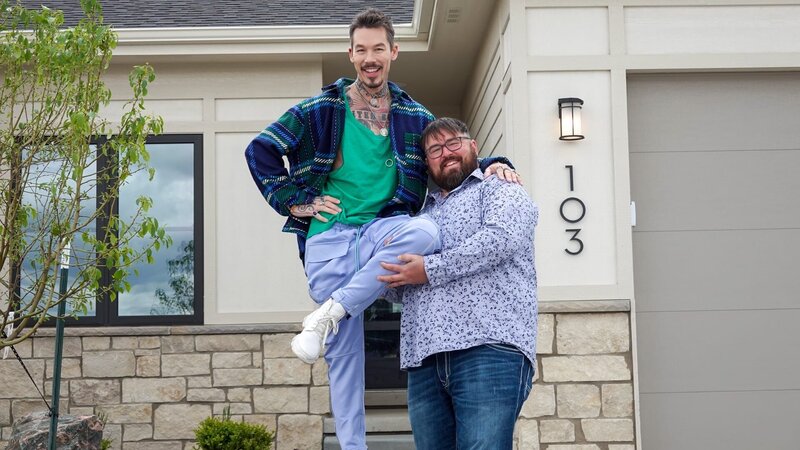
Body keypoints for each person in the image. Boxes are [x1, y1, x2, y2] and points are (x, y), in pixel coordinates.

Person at [244, 9, 518, 449]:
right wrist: (298, 202)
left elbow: (447, 152)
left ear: (393, 52)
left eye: (378, 49)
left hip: (380, 234)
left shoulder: (413, 115)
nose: (370, 58)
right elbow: (261, 150)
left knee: (425, 233)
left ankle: (330, 312)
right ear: (351, 54)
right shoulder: (321, 109)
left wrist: (495, 163)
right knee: (345, 362)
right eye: (361, 50)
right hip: (329, 239)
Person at [378, 117, 538, 450]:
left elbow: (501, 239)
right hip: (424, 359)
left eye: (454, 143)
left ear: (473, 147)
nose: (446, 153)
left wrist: (428, 269)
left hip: (488, 348)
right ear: (427, 163)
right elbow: (396, 285)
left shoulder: (500, 187)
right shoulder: (419, 215)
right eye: (435, 149)